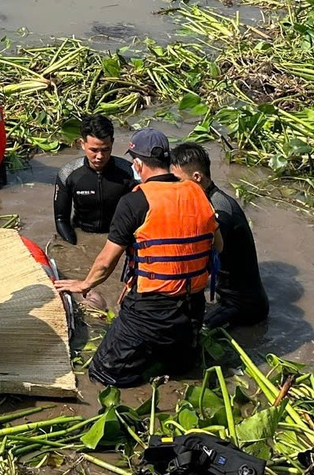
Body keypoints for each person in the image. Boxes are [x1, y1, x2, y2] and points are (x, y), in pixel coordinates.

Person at [53, 129, 222, 388]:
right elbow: (219, 246)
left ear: (139, 164)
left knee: (102, 373)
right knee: (180, 367)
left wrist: (83, 285)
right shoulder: (198, 193)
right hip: (192, 311)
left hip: (150, 312)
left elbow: (106, 262)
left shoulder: (135, 201)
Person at [169, 143, 269, 329]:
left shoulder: (219, 211)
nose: (175, 187)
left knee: (192, 331)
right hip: (228, 296)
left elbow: (199, 262)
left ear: (197, 177)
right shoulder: (205, 202)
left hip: (243, 307)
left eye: (178, 180)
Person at [53, 114, 137, 243]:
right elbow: (61, 220)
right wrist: (74, 247)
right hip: (83, 233)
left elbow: (140, 214)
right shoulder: (67, 174)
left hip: (118, 237)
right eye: (94, 150)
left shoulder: (129, 172)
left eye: (105, 149)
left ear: (112, 143)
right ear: (82, 143)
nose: (100, 156)